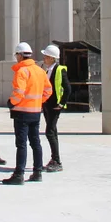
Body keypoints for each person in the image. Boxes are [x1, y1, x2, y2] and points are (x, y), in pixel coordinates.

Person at [3, 42, 52, 186]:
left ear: (19, 55)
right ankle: (37, 172)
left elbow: (19, 92)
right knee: (35, 142)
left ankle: (19, 174)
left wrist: (12, 103)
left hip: (22, 113)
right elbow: (48, 91)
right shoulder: (40, 71)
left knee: (21, 144)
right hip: (35, 112)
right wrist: (38, 103)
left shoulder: (22, 71)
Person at [41, 44, 71, 173]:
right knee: (52, 131)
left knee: (50, 132)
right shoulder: (46, 70)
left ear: (52, 58)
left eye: (46, 56)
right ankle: (54, 159)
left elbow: (68, 88)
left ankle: (57, 160)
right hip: (47, 104)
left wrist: (62, 103)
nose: (44, 58)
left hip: (54, 106)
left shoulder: (59, 70)